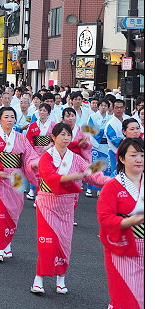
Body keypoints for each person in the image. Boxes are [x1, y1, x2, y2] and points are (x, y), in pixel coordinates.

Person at [31, 123, 110, 295]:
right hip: (47, 204)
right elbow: (50, 177)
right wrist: (72, 176)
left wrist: (108, 181)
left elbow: (91, 174)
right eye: (62, 135)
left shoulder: (75, 158)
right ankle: (39, 278)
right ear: (53, 137)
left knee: (64, 243)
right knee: (47, 243)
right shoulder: (47, 157)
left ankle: (61, 278)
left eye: (68, 135)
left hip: (66, 206)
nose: (66, 138)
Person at [95, 137, 144, 309]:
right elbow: (104, 218)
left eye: (142, 155)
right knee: (123, 302)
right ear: (122, 159)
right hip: (122, 249)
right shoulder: (113, 186)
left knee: (143, 302)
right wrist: (130, 221)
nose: (139, 159)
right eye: (133, 155)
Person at [0, 107, 39, 262]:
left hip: (16, 178)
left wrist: (34, 164)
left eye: (12, 117)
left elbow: (29, 156)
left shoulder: (21, 138)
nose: (9, 120)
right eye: (6, 117)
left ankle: (7, 245)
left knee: (13, 212)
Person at [25, 102, 55, 200]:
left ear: (49, 113)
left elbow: (56, 139)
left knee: (44, 173)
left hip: (48, 152)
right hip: (35, 151)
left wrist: (49, 146)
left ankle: (41, 194)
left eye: (44, 111)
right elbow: (28, 139)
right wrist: (31, 151)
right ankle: (32, 190)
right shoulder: (33, 125)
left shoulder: (53, 125)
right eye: (40, 110)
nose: (42, 112)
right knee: (34, 172)